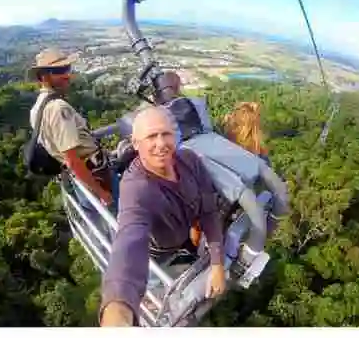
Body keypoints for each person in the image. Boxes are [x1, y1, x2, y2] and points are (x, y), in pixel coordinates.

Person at [99, 106, 226, 327]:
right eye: (151, 136)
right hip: (156, 254)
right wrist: (117, 309)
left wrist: (217, 264)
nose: (161, 143)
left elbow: (208, 211)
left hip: (185, 237)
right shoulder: (136, 188)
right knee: (156, 291)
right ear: (136, 144)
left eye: (166, 134)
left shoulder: (189, 160)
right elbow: (129, 242)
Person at [29, 48, 114, 206]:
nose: (67, 75)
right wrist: (101, 193)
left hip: (82, 180)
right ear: (43, 77)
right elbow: (72, 160)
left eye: (67, 68)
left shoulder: (37, 108)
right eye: (60, 70)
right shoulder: (58, 108)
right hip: (95, 177)